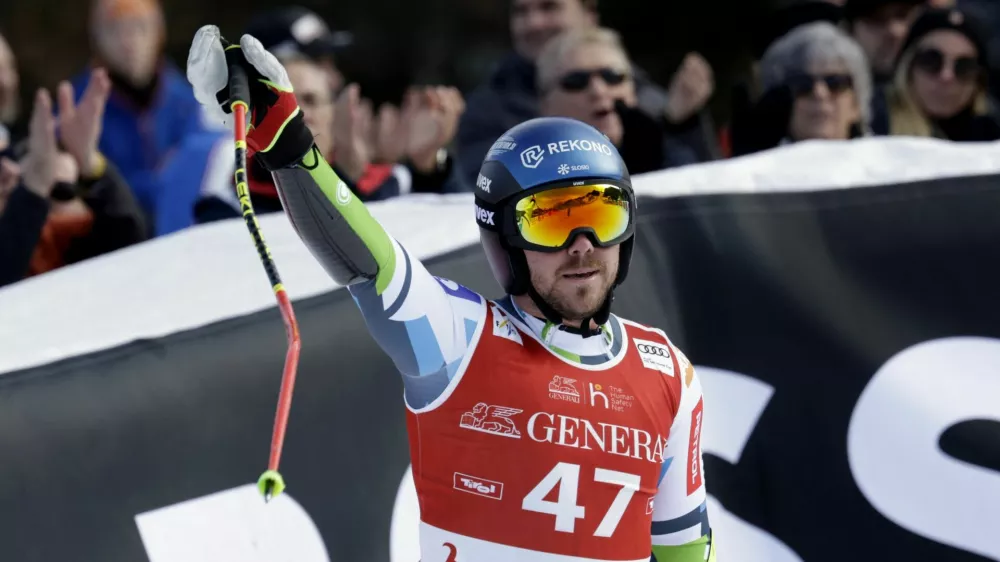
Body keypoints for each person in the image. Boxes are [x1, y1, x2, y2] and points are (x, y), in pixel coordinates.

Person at [187, 25, 717, 562]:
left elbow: (685, 550)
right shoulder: (457, 337)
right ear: (505, 239)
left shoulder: (669, 373)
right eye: (550, 222)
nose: (582, 246)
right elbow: (370, 263)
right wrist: (286, 141)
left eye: (602, 214)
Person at [886, 7, 1000, 140]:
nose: (946, 76)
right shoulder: (873, 125)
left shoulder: (991, 138)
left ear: (978, 81)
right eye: (931, 60)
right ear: (907, 67)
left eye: (963, 67)